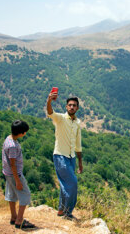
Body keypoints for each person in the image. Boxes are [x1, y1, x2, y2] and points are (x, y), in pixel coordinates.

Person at [47, 90, 83, 220]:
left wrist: (80, 163)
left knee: (65, 184)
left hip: (72, 157)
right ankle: (68, 213)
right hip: (60, 156)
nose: (72, 107)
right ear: (66, 107)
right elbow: (50, 113)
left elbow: (78, 144)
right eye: (70, 105)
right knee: (72, 183)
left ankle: (61, 210)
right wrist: (49, 101)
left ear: (77, 108)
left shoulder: (77, 123)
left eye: (74, 105)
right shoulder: (60, 119)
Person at [2, 120, 36, 229]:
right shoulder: (12, 146)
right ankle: (19, 220)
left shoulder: (8, 138)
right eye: (25, 132)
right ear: (21, 133)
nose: (25, 133)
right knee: (25, 194)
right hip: (15, 174)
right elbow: (13, 164)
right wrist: (18, 181)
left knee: (12, 195)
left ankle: (13, 217)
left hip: (8, 173)